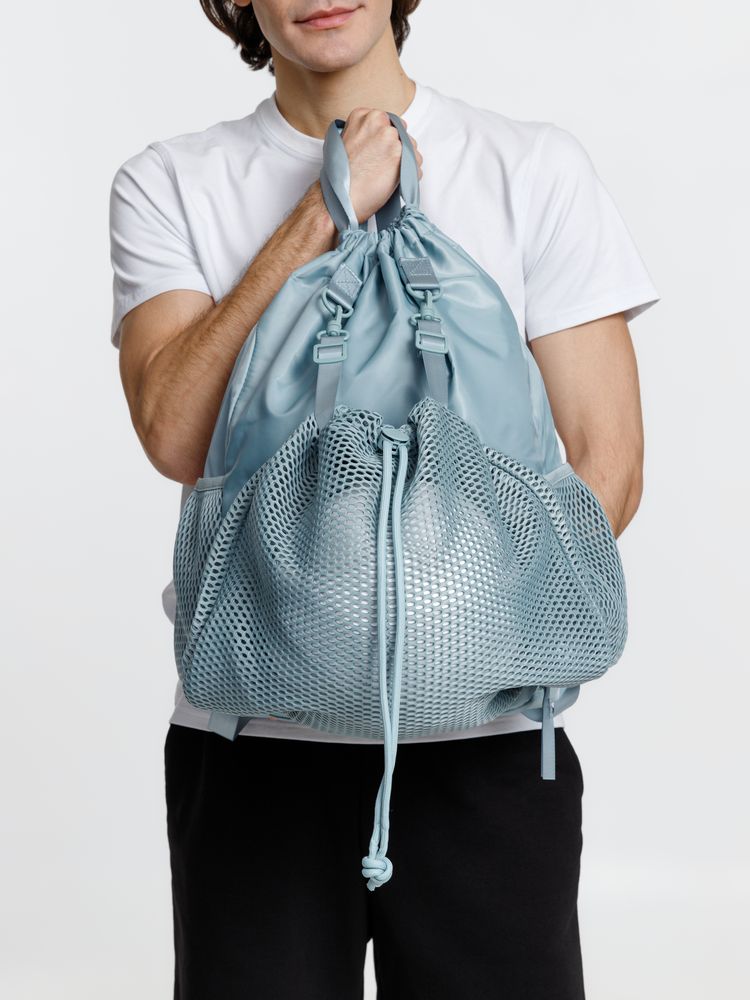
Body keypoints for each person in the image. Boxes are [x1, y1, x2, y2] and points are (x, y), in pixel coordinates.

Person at [108, 2, 660, 997]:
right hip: (253, 747)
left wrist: (443, 638)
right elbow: (176, 436)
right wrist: (320, 215)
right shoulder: (171, 181)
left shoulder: (532, 167)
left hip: (489, 749)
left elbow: (605, 462)